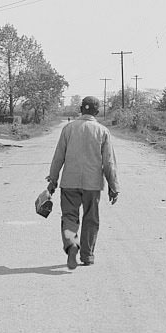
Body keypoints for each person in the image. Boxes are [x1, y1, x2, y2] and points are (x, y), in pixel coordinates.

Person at [47, 95, 120, 269]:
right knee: (91, 219)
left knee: (69, 217)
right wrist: (113, 186)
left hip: (69, 182)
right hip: (92, 184)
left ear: (81, 109)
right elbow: (108, 162)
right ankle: (87, 255)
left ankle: (72, 244)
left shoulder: (68, 129)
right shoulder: (102, 131)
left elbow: (58, 157)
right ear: (97, 111)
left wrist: (53, 179)